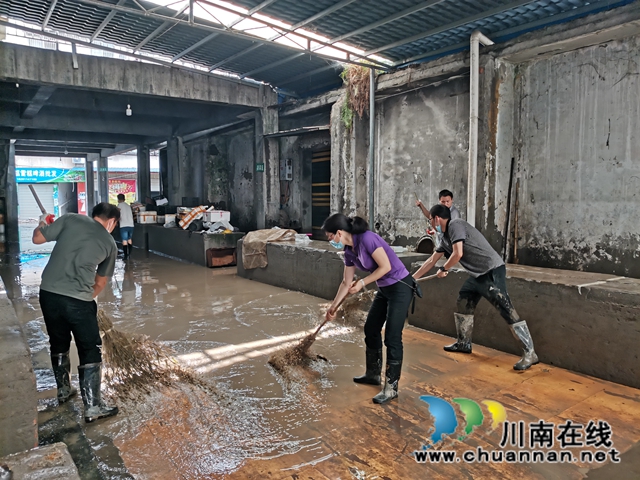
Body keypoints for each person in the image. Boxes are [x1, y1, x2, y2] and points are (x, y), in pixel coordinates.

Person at [412, 204, 538, 371]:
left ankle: (530, 352)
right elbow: (431, 261)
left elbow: (458, 253)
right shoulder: (445, 238)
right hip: (477, 275)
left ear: (436, 218)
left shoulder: (455, 225)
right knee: (464, 299)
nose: (430, 223)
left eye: (430, 220)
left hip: (491, 270)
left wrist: (445, 269)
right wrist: (411, 279)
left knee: (505, 307)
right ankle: (464, 343)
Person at [32, 202, 121, 422]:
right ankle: (92, 407)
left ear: (94, 215)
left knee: (58, 341)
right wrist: (82, 300)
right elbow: (100, 283)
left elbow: (37, 238)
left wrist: (42, 222)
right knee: (89, 347)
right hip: (79, 300)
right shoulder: (110, 243)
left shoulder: (70, 219)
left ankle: (63, 391)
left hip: (48, 294)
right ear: (112, 222)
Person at [322, 213, 416, 404]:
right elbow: (346, 282)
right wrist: (333, 307)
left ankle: (391, 388)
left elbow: (386, 267)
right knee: (371, 329)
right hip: (384, 288)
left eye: (330, 237)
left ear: (339, 233)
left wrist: (363, 282)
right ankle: (373, 374)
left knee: (392, 336)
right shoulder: (349, 251)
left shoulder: (367, 239)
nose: (330, 241)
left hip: (400, 287)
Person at [117, 193, 134, 259]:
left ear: (118, 199)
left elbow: (117, 214)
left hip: (123, 225)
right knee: (129, 239)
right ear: (124, 199)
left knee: (124, 240)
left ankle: (125, 256)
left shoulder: (119, 206)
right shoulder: (128, 206)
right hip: (131, 225)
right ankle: (129, 254)